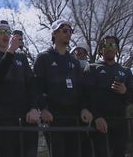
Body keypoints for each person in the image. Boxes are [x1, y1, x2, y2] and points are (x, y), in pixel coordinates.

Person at [33, 19, 93, 157]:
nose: (68, 34)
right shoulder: (43, 58)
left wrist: (84, 108)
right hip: (53, 117)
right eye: (64, 30)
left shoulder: (74, 62)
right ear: (54, 33)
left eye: (70, 31)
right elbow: (37, 87)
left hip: (73, 117)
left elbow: (81, 89)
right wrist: (43, 109)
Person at [0, 20, 40, 157]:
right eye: (1, 32)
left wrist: (33, 107)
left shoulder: (22, 58)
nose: (5, 35)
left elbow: (31, 84)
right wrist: (10, 51)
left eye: (8, 32)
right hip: (4, 117)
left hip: (27, 117)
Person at [83, 35, 133, 157]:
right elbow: (87, 96)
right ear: (101, 50)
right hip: (99, 123)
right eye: (106, 45)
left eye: (113, 45)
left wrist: (124, 92)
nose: (109, 48)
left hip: (120, 123)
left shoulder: (126, 71)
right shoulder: (92, 68)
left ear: (117, 49)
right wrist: (97, 117)